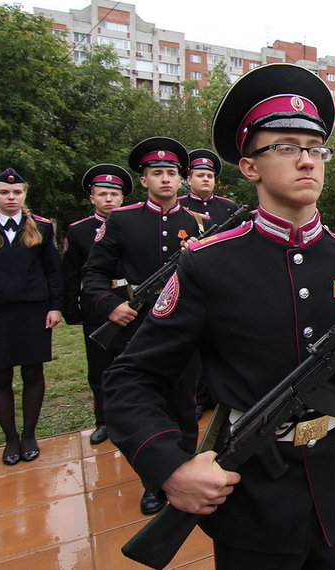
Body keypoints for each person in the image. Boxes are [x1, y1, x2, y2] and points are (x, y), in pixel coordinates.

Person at [103, 62, 335, 568]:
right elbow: (130, 378)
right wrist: (169, 467)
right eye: (284, 146)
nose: (306, 160)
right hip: (253, 491)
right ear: (250, 167)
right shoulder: (208, 263)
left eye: (315, 148)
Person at [82, 137, 205, 515]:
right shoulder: (122, 220)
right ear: (145, 179)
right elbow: (94, 274)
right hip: (138, 330)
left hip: (186, 331)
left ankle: (183, 473)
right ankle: (154, 480)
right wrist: (110, 306)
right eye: (157, 173)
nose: (165, 179)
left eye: (171, 173)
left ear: (180, 179)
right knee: (144, 408)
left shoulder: (199, 222)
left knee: (185, 407)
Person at [0, 168, 64, 465]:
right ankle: (10, 438)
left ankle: (29, 434)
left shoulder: (42, 228)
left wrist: (55, 306)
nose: (11, 197)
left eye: (17, 192)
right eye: (4, 192)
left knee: (33, 373)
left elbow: (53, 272)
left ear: (24, 195)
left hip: (33, 311)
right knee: (0, 375)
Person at [61, 164, 133, 446]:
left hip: (130, 303)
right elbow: (70, 274)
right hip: (97, 308)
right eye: (102, 194)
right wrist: (70, 310)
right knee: (100, 370)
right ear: (92, 198)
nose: (109, 199)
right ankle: (103, 421)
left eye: (114, 194)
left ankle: (131, 417)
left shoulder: (133, 224)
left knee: (132, 365)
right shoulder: (79, 231)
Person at [179, 148, 239, 225]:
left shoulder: (229, 206)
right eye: (200, 176)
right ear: (189, 180)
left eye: (210, 176)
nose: (206, 179)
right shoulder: (178, 205)